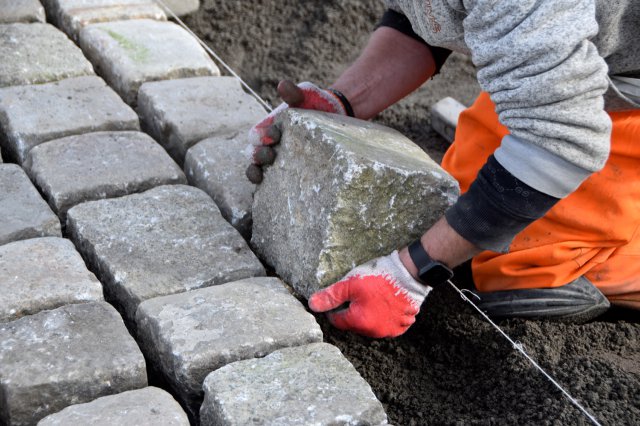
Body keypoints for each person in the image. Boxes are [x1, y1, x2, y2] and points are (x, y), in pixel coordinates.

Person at [248, 0, 640, 338]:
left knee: (522, 265)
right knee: (474, 198)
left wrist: (412, 272)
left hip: (615, 93)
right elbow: (430, 14)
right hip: (570, 52)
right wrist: (343, 103)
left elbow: (564, 140)